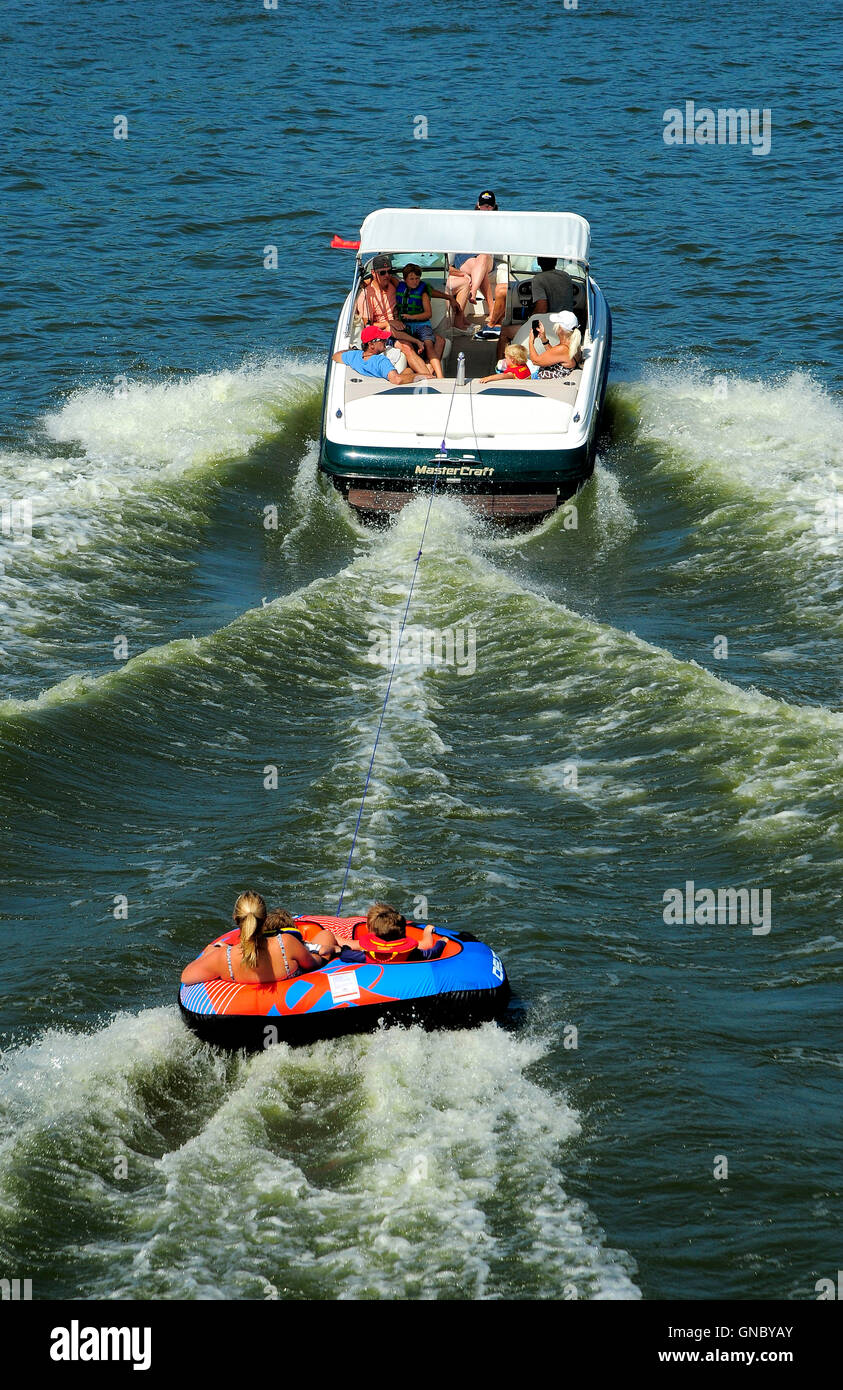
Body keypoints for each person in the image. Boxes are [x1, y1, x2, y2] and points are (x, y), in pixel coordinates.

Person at [180, 893, 339, 986]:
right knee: (325, 935)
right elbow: (313, 964)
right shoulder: (285, 942)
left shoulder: (223, 958)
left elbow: (186, 977)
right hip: (294, 1006)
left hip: (248, 1018)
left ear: (236, 919)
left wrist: (212, 951)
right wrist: (326, 952)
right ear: (265, 919)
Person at [355, 254, 433, 376]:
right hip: (386, 332)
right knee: (406, 346)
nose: (386, 275)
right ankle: (430, 378)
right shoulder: (367, 295)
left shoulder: (393, 285)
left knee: (438, 340)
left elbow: (419, 289)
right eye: (382, 273)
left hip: (403, 325)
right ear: (373, 273)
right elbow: (368, 325)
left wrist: (450, 298)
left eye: (389, 272)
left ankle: (427, 371)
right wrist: (388, 323)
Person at [336, 902, 445, 964]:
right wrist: (439, 940)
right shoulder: (410, 953)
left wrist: (342, 948)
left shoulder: (368, 955)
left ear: (368, 928)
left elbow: (345, 955)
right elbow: (431, 950)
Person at [394, 264, 447, 378]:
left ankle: (440, 375)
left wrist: (411, 317)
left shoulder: (423, 293)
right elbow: (386, 278)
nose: (415, 282)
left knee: (429, 344)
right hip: (406, 326)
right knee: (409, 347)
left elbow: (428, 314)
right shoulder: (399, 285)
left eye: (417, 278)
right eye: (411, 279)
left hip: (422, 324)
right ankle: (423, 372)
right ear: (405, 279)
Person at [332, 326, 417, 383]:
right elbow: (396, 380)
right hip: (385, 389)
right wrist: (422, 376)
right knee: (409, 370)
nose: (385, 341)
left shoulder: (354, 356)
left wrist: (353, 350)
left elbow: (335, 356)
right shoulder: (381, 361)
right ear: (371, 345)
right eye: (382, 340)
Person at [528, 310, 582, 379]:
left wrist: (531, 341)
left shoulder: (563, 349)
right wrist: (543, 339)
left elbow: (535, 361)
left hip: (539, 380)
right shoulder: (573, 345)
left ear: (560, 329)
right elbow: (555, 356)